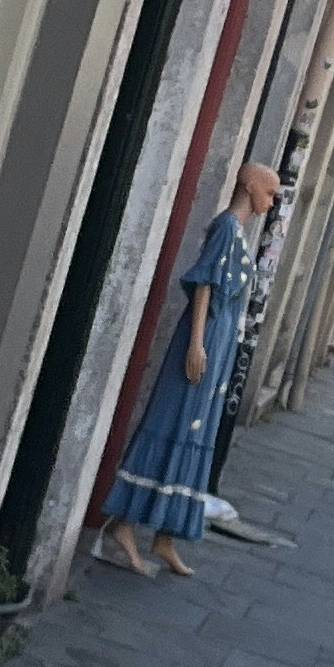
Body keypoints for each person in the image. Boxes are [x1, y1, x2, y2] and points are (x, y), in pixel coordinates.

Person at [101, 163, 281, 576]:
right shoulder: (225, 228)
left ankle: (164, 536)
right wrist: (197, 343)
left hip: (217, 344)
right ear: (250, 185)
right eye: (268, 193)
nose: (270, 203)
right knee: (176, 423)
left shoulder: (238, 233)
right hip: (203, 341)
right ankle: (123, 527)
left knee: (196, 430)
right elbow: (204, 285)